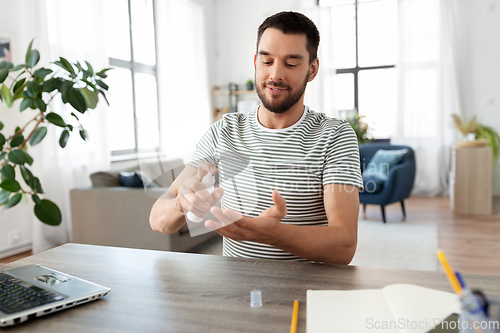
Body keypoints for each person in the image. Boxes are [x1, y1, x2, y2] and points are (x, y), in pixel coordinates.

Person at [150, 11, 363, 264]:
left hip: (306, 294)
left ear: (312, 69)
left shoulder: (334, 136)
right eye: (267, 61)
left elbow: (344, 246)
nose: (275, 75)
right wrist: (181, 204)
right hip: (237, 291)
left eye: (291, 63)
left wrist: (273, 234)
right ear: (255, 62)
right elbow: (157, 220)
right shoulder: (223, 131)